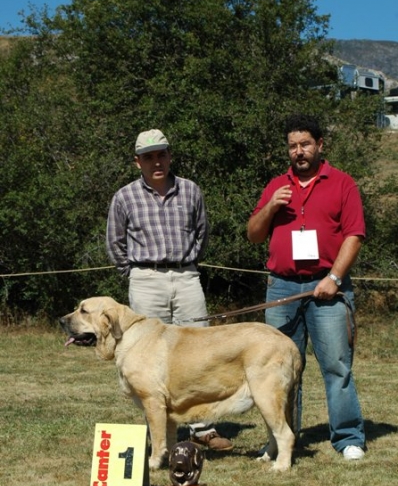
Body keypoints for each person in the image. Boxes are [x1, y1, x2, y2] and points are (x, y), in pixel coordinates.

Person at [247, 114, 366, 461]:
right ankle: (281, 441)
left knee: (336, 365)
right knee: (277, 370)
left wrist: (334, 278)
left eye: (305, 144)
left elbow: (354, 235)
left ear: (320, 145)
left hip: (328, 287)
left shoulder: (342, 184)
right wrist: (270, 206)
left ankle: (348, 438)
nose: (299, 152)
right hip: (282, 289)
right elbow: (253, 235)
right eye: (293, 146)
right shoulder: (275, 185)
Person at [106, 128, 232, 452]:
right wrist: (135, 273)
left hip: (187, 277)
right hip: (146, 280)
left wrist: (187, 267)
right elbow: (114, 243)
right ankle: (161, 435)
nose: (156, 162)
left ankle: (203, 429)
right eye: (148, 157)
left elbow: (202, 233)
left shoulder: (191, 190)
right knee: (147, 358)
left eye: (161, 154)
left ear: (170, 155)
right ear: (138, 162)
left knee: (200, 354)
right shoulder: (124, 197)